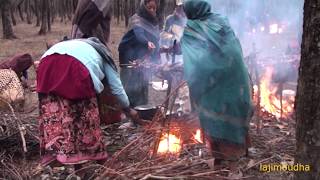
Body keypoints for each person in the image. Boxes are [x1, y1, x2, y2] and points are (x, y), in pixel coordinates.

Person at [36, 37, 139, 167]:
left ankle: (58, 157)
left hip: (45, 64)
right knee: (84, 119)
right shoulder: (103, 55)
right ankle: (91, 161)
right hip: (75, 68)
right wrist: (128, 109)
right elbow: (116, 88)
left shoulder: (76, 45)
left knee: (54, 114)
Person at [181, 0, 253, 161]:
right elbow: (235, 48)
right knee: (235, 108)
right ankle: (243, 149)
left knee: (214, 110)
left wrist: (195, 84)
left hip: (213, 82)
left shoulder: (192, 28)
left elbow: (196, 63)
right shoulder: (222, 20)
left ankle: (226, 159)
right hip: (237, 76)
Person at [118, 0, 160, 107]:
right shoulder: (136, 19)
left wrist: (157, 58)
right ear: (144, 6)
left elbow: (156, 40)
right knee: (130, 82)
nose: (152, 10)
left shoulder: (153, 22)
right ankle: (127, 107)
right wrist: (147, 42)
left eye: (154, 8)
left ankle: (141, 105)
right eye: (149, 7)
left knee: (143, 77)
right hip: (128, 53)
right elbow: (139, 34)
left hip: (142, 55)